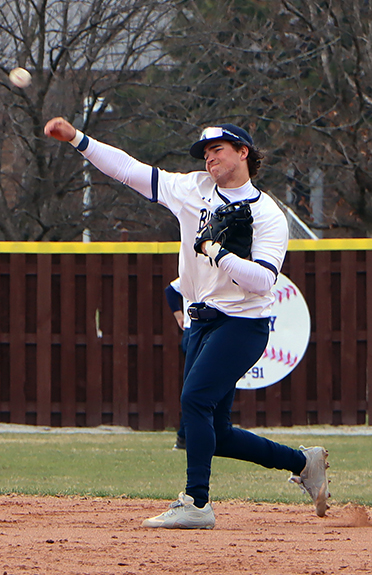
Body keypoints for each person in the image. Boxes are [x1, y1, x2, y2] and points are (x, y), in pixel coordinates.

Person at [44, 117, 330, 529]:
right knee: (218, 431)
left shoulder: (267, 214)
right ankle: (303, 462)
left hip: (243, 324)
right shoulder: (192, 190)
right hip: (202, 323)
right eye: (205, 152)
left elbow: (264, 280)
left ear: (243, 152)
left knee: (194, 402)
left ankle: (197, 503)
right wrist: (77, 139)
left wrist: (219, 252)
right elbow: (129, 170)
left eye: (218, 149)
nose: (210, 157)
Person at [164, 278, 188, 451]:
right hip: (200, 330)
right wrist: (180, 316)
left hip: (193, 330)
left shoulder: (193, 270)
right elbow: (170, 290)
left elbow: (170, 290)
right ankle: (184, 436)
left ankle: (184, 436)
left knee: (195, 388)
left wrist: (179, 316)